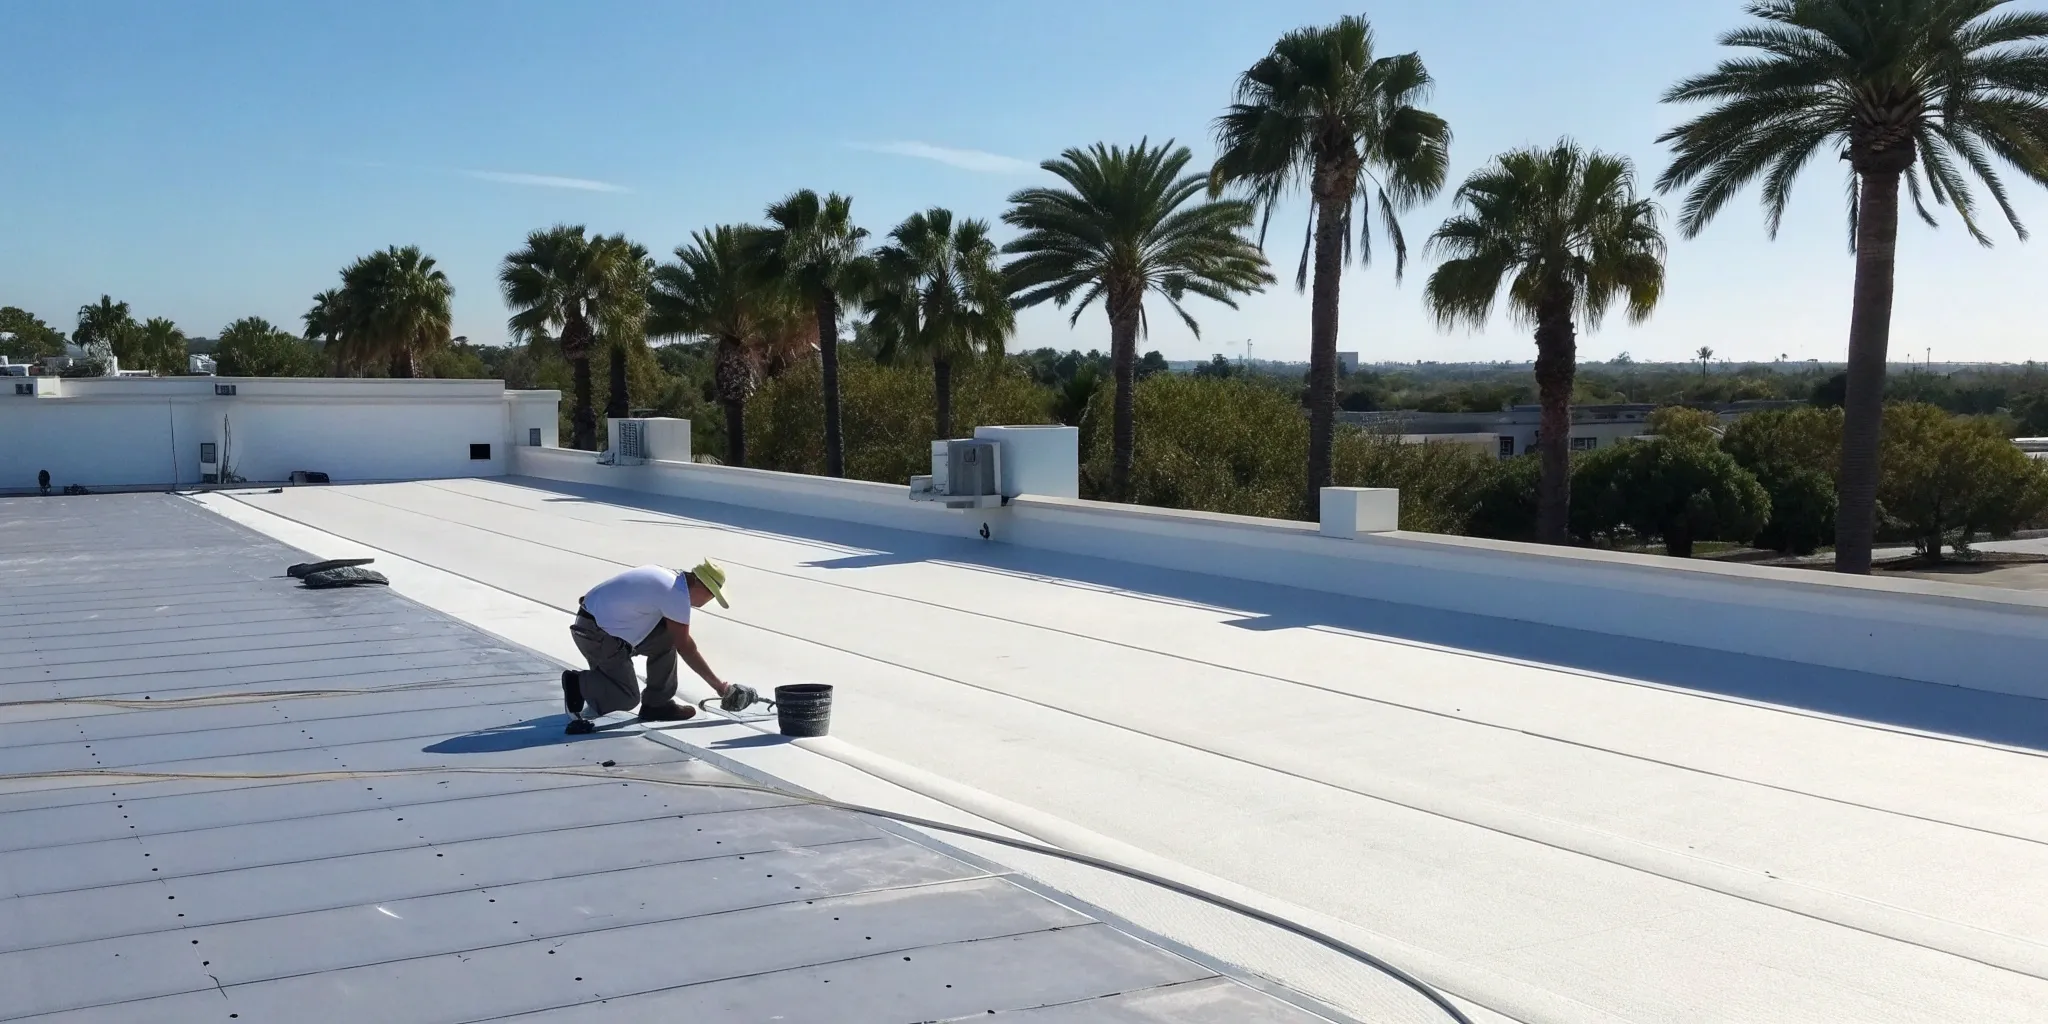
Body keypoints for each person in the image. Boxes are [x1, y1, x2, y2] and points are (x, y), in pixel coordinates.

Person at [562, 561, 758, 735]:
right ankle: (577, 683)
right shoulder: (676, 593)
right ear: (700, 583)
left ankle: (656, 705)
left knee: (667, 638)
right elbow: (686, 647)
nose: (708, 601)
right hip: (595, 634)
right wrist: (720, 686)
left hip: (598, 624)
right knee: (625, 699)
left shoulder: (671, 579)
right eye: (711, 595)